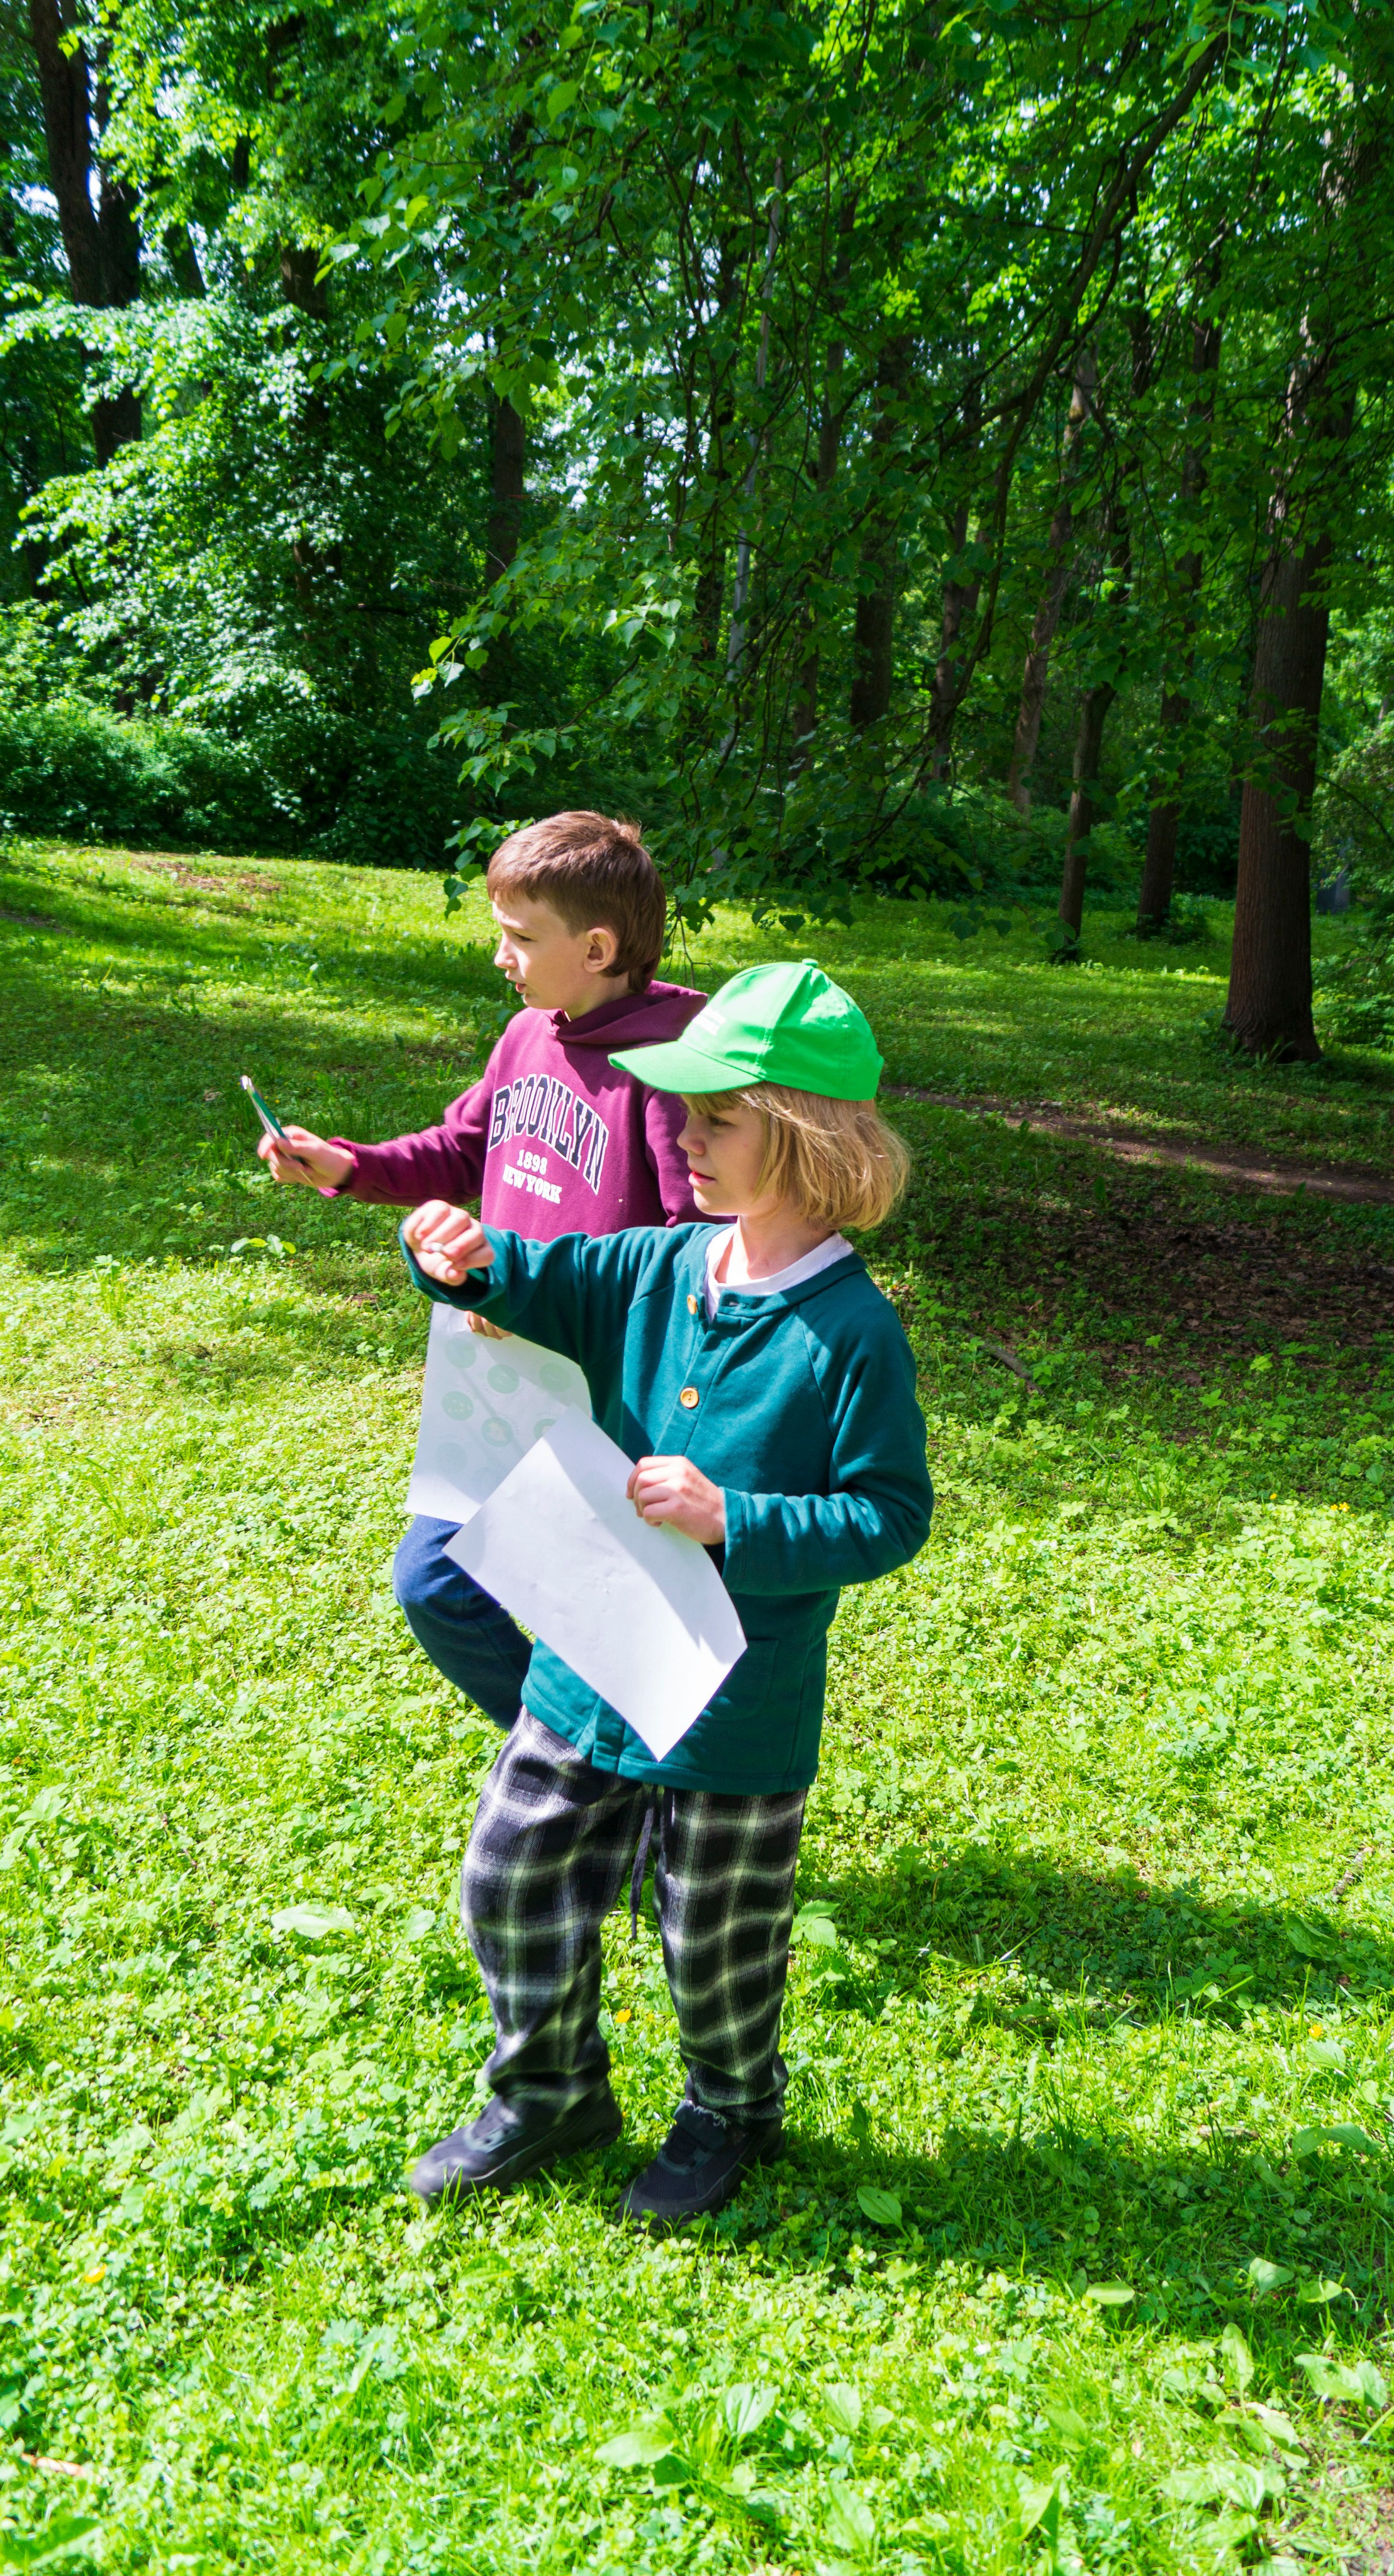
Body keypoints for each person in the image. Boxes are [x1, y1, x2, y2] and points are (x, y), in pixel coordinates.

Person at [397, 959, 934, 2228]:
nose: (678, 1135)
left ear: (805, 1138)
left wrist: (734, 1517)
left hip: (732, 1709)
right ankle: (548, 2091)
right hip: (588, 1660)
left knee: (716, 1945)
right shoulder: (656, 1266)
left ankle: (729, 2111)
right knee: (510, 1873)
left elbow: (888, 1514)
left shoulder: (850, 1333)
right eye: (684, 1111)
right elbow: (524, 1279)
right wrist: (456, 1254)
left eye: (714, 1118)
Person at [257, 811, 706, 1729]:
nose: (502, 956)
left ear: (596, 946)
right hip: (503, 1384)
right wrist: (347, 1164)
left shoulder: (669, 1067)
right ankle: (567, 1758)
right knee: (438, 1584)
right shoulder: (528, 1035)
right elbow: (465, 1146)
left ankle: (598, 1780)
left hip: (604, 1389)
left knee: (597, 1612)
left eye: (519, 937)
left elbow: (693, 1244)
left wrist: (536, 1289)